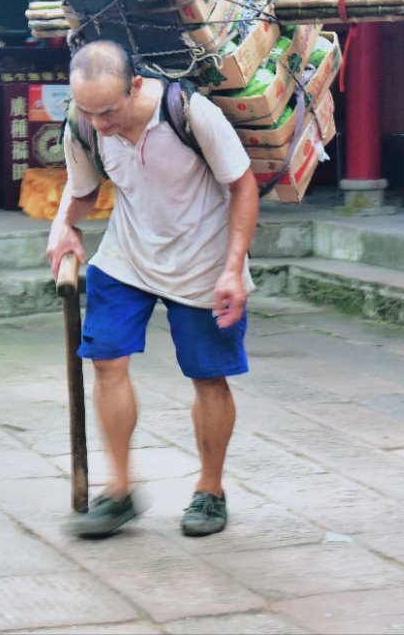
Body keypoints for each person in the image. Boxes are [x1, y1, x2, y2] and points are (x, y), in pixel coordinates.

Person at [45, 39, 258, 539]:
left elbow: (242, 186)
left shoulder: (189, 113)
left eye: (109, 111)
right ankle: (119, 490)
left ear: (135, 86)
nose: (100, 123)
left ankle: (210, 490)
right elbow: (82, 190)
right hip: (128, 257)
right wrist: (63, 225)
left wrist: (232, 268)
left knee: (207, 377)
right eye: (89, 111)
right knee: (106, 360)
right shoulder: (82, 125)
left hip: (203, 261)